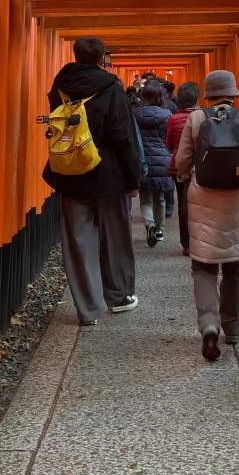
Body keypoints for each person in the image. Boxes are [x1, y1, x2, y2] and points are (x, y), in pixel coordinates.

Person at [42, 36, 141, 326]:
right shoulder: (111, 88)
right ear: (102, 59)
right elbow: (123, 137)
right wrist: (133, 178)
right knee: (115, 237)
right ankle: (119, 296)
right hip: (108, 174)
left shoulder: (59, 87)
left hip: (71, 171)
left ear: (76, 55)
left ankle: (87, 308)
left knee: (78, 239)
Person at [175, 70, 239, 361]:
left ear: (208, 93)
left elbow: (181, 161)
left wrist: (185, 172)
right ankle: (234, 328)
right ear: (233, 92)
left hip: (203, 197)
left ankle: (209, 326)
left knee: (203, 267)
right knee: (235, 265)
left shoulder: (196, 119)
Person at [133, 82, 173, 247]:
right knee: (160, 198)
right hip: (162, 159)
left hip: (143, 160)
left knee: (146, 198)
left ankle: (149, 224)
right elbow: (169, 139)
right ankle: (159, 229)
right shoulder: (167, 115)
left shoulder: (135, 114)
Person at [165, 81, 200, 257]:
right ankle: (201, 240)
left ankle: (186, 244)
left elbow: (169, 144)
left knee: (183, 205)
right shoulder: (204, 117)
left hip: (180, 166)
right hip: (201, 166)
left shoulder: (173, 119)